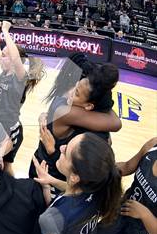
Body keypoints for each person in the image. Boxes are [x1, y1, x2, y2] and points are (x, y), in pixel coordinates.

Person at [33, 133, 123, 234]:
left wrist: (46, 190)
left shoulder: (50, 218)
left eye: (66, 151)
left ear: (75, 177)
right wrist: (50, 182)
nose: (61, 147)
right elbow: (73, 195)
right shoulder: (98, 189)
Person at [29, 60, 122, 195]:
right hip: (46, 172)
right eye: (75, 86)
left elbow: (116, 123)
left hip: (61, 181)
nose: (70, 92)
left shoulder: (72, 114)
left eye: (77, 93)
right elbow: (116, 122)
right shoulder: (65, 111)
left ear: (89, 106)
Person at [79, 137, 157, 234]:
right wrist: (104, 169)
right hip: (123, 207)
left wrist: (144, 214)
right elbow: (127, 166)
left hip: (141, 228)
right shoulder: (154, 145)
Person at [0, 20, 43, 176]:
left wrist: (6, 31)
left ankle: (10, 192)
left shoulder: (20, 77)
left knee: (5, 167)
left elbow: (14, 57)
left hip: (10, 129)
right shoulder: (6, 70)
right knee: (1, 167)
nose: (1, 57)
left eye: (5, 55)